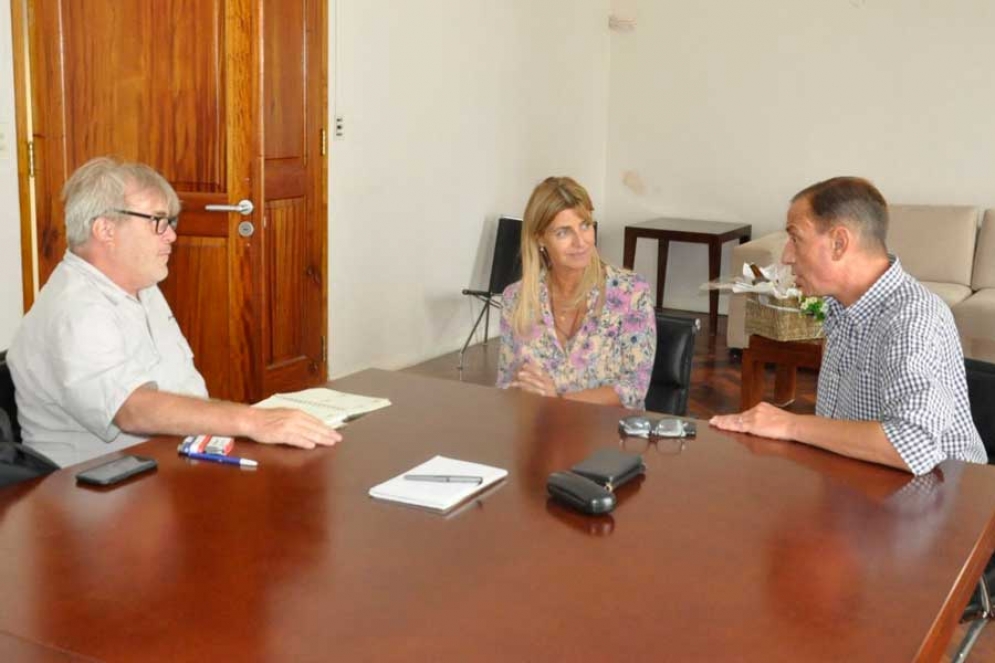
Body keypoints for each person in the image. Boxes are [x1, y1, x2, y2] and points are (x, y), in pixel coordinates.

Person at [7, 157, 341, 467]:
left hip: (166, 465)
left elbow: (181, 389)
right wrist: (253, 421)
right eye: (158, 222)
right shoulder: (75, 309)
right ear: (106, 230)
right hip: (95, 494)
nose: (172, 235)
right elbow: (131, 410)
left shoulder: (141, 284)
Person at [711, 176, 986, 476]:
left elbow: (911, 444)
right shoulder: (840, 306)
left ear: (839, 243)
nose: (787, 256)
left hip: (946, 500)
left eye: (795, 238)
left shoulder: (913, 318)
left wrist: (789, 424)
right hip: (866, 482)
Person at [496, 176, 656, 409]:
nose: (580, 242)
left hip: (610, 437)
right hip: (538, 437)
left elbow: (634, 388)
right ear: (540, 238)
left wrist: (557, 402)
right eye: (563, 232)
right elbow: (506, 384)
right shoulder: (516, 299)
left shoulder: (630, 293)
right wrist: (521, 390)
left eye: (585, 225)